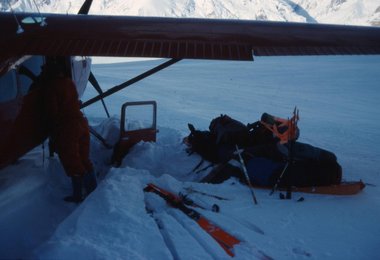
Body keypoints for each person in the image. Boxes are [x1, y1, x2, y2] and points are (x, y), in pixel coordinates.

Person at [39, 57, 97, 202]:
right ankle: (93, 191)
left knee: (72, 160)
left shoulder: (51, 87)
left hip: (68, 127)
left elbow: (52, 111)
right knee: (84, 158)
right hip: (82, 122)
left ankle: (78, 195)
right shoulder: (69, 82)